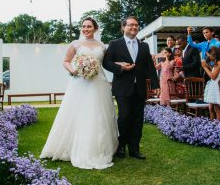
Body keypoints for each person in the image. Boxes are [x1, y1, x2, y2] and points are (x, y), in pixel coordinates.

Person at [40, 17, 118, 169]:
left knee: (99, 113)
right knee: (80, 113)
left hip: (99, 82)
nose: (85, 29)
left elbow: (106, 63)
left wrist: (119, 64)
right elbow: (66, 61)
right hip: (80, 82)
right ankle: (74, 147)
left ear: (95, 29)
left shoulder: (102, 46)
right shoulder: (75, 44)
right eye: (83, 26)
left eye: (89, 26)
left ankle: (99, 148)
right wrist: (73, 70)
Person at [103, 16, 159, 160]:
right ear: (123, 27)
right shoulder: (115, 44)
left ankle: (134, 149)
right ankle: (121, 146)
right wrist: (120, 68)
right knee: (125, 116)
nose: (134, 27)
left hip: (139, 88)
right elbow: (106, 62)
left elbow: (149, 66)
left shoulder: (144, 46)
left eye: (136, 25)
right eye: (131, 25)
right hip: (122, 87)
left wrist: (156, 84)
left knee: (138, 119)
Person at [203, 46, 220, 120]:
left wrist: (205, 68)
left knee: (217, 108)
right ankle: (212, 123)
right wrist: (209, 66)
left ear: (214, 55)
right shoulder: (217, 62)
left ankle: (219, 124)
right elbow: (215, 72)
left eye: (209, 55)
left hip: (217, 86)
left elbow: (213, 76)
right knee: (211, 107)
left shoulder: (219, 63)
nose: (209, 57)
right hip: (214, 85)